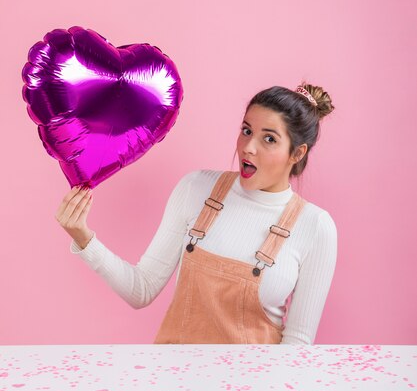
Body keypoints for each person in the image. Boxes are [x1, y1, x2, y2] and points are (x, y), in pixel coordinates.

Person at [55, 82, 338, 344]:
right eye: (247, 130)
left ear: (297, 153)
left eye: (269, 139)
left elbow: (297, 345)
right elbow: (141, 289)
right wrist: (83, 238)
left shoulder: (315, 226)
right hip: (175, 382)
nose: (248, 148)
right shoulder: (196, 188)